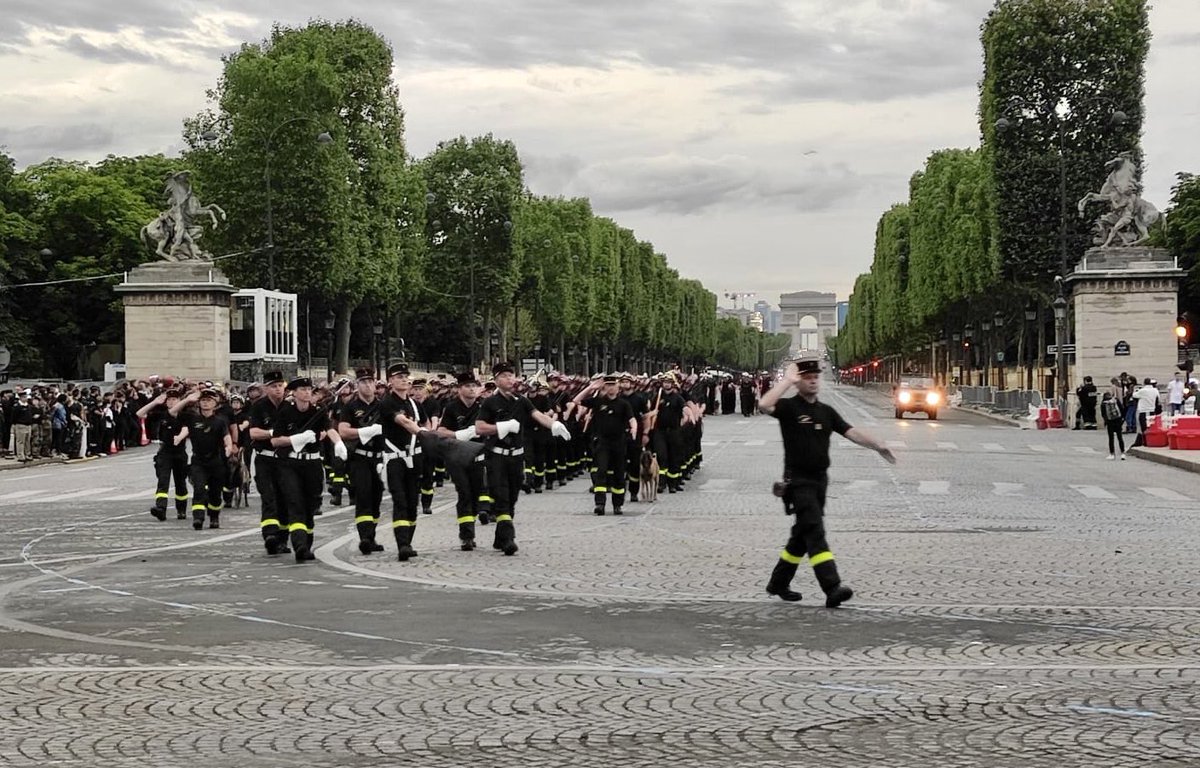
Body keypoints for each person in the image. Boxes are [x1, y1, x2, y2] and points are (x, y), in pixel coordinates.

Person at [757, 358, 896, 608]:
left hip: (820, 482)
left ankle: (778, 583)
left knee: (802, 535)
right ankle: (831, 586)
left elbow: (850, 432)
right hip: (798, 481)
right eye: (807, 377)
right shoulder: (789, 408)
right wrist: (787, 381)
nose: (812, 380)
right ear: (799, 381)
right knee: (815, 531)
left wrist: (878, 445)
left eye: (815, 376)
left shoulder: (826, 412)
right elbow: (764, 404)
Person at [475, 361, 572, 555]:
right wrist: (500, 428)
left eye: (511, 375)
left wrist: (554, 425)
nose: (509, 379)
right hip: (497, 456)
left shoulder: (521, 400)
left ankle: (500, 537)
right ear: (496, 380)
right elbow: (479, 427)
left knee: (512, 498)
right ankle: (509, 539)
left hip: (516, 457)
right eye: (504, 376)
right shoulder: (490, 402)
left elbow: (537, 415)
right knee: (501, 497)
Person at [270, 377, 347, 563]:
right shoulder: (285, 411)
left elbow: (329, 429)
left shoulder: (318, 411)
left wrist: (338, 443)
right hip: (290, 464)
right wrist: (295, 440)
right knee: (295, 502)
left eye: (309, 390)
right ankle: (300, 545)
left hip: (312, 463)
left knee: (311, 504)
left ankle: (307, 542)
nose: (306, 393)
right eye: (302, 389)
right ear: (294, 393)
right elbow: (275, 440)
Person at [338, 368, 388, 556]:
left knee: (376, 498)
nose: (368, 385)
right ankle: (364, 537)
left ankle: (372, 536)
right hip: (360, 457)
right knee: (364, 496)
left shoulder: (383, 406)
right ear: (357, 385)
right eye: (363, 382)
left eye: (370, 382)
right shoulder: (350, 406)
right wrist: (365, 432)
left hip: (379, 458)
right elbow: (343, 431)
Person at [573, 374, 638, 515]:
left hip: (619, 442)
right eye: (607, 385)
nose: (610, 388)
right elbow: (576, 400)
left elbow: (632, 419)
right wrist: (591, 387)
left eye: (613, 385)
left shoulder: (623, 404)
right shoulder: (598, 401)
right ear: (604, 386)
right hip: (603, 442)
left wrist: (634, 429)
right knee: (600, 471)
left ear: (618, 387)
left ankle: (617, 504)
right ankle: (600, 504)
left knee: (619, 474)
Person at [174, 388, 235, 531]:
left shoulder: (220, 421)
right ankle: (198, 517)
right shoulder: (192, 418)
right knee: (199, 489)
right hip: (198, 461)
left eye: (209, 400)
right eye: (203, 400)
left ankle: (214, 517)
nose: (206, 403)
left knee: (215, 493)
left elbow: (227, 438)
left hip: (216, 461)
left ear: (216, 404)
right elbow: (173, 412)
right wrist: (187, 400)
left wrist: (228, 448)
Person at [138, 388, 190, 520]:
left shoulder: (185, 414)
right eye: (169, 400)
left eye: (175, 399)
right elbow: (140, 413)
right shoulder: (161, 414)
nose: (172, 402)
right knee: (163, 480)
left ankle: (181, 509)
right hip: (165, 452)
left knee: (180, 482)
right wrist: (155, 402)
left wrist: (179, 437)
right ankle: (161, 508)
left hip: (179, 452)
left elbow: (186, 428)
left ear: (179, 401)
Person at [1100, 390, 1126, 460]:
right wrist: (1122, 419)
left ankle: (1112, 454)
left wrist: (1106, 422)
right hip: (1118, 420)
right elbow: (1122, 409)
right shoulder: (1116, 400)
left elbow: (1103, 414)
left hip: (1110, 422)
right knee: (1120, 437)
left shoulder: (1103, 403)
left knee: (1111, 438)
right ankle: (1123, 453)